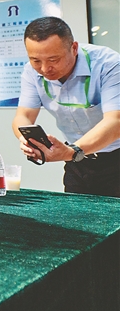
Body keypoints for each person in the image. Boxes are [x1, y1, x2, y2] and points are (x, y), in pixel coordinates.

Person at [12, 16, 120, 197]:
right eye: (36, 60)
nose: (45, 69)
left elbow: (115, 121)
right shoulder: (31, 72)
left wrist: (73, 151)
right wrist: (27, 139)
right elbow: (23, 116)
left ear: (74, 48)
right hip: (77, 163)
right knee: (73, 214)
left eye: (53, 59)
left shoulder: (109, 64)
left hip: (115, 157)